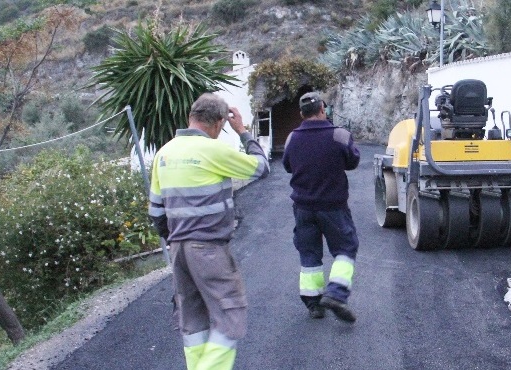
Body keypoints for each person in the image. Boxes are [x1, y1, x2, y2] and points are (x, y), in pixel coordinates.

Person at [149, 93, 269, 370]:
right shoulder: (213, 150)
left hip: (178, 249)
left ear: (191, 117)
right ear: (217, 123)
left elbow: (156, 212)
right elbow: (261, 168)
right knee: (230, 315)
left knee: (193, 322)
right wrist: (243, 132)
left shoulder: (164, 153)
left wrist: (175, 241)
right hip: (209, 249)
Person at [282, 91, 361, 323]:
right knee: (346, 248)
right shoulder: (339, 134)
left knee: (309, 254)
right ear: (323, 110)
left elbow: (287, 165)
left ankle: (314, 305)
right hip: (333, 206)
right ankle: (336, 293)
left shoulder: (291, 138)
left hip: (303, 208)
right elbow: (353, 161)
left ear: (301, 114)